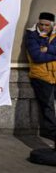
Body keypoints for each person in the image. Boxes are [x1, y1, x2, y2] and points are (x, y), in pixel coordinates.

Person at [24, 11, 56, 140]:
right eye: (41, 24)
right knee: (48, 106)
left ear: (52, 25)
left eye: (47, 25)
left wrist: (47, 49)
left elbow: (43, 53)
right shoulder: (32, 35)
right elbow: (36, 56)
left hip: (54, 75)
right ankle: (51, 132)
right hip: (41, 76)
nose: (43, 27)